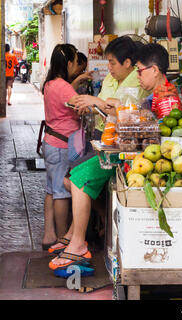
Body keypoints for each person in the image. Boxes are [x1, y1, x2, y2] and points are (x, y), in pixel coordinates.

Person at [48, 37, 155, 270]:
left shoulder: (139, 85)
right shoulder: (111, 79)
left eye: (113, 63)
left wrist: (100, 103)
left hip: (121, 148)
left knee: (78, 180)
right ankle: (74, 236)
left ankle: (77, 244)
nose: (109, 68)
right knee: (74, 179)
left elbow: (126, 111)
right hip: (104, 140)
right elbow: (113, 106)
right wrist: (96, 105)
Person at [41, 44, 88, 250]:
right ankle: (62, 239)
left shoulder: (50, 83)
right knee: (62, 193)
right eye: (76, 62)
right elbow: (80, 105)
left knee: (51, 190)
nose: (76, 66)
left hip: (50, 141)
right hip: (61, 145)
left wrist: (76, 81)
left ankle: (48, 235)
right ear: (68, 63)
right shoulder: (64, 87)